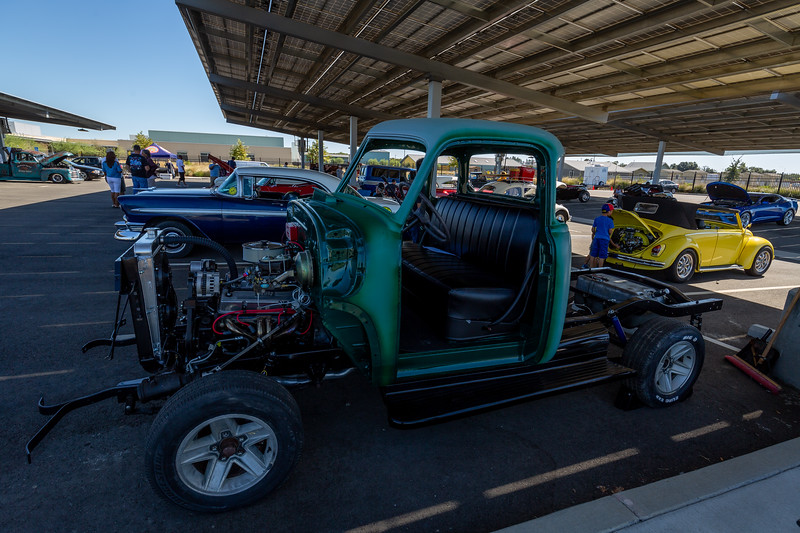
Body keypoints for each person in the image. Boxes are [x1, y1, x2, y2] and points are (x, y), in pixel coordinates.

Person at [584, 203, 618, 268]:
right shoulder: (610, 221)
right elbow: (610, 232)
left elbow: (593, 229)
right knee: (602, 256)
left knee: (593, 254)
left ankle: (591, 268)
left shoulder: (597, 219)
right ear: (609, 211)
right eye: (612, 211)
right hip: (604, 239)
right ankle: (600, 269)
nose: (612, 213)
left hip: (596, 238)